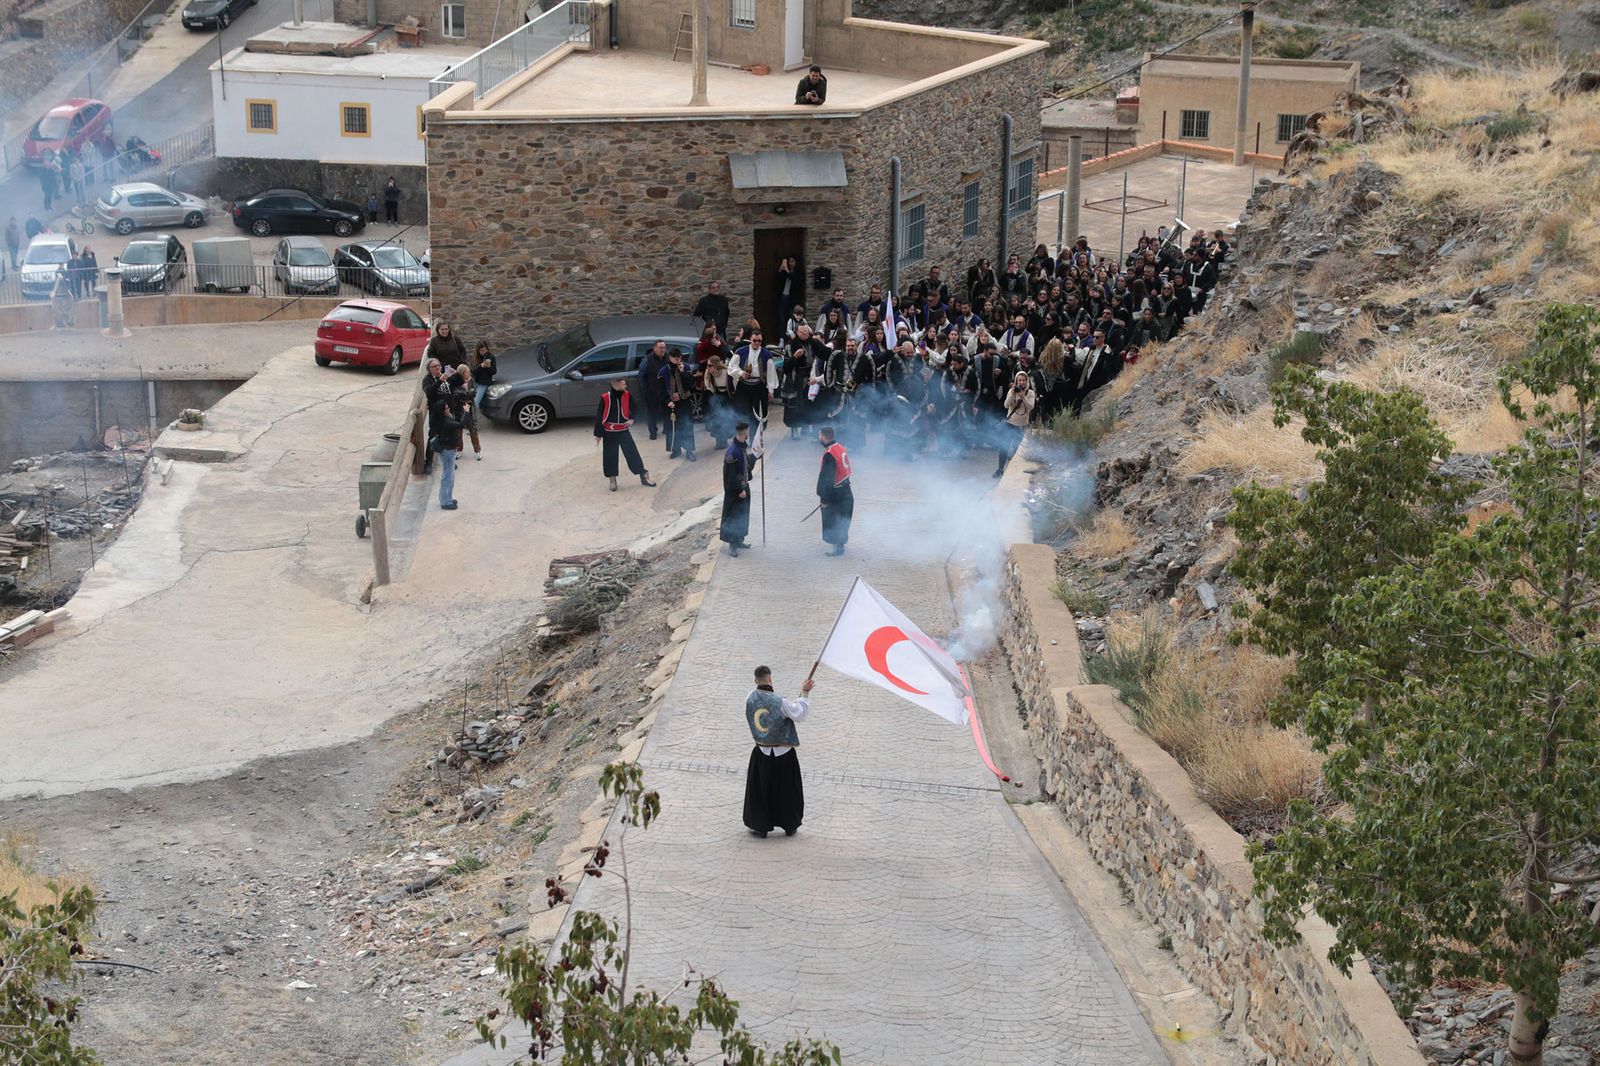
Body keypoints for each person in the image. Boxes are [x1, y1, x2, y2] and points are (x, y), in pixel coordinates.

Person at [743, 665, 813, 838]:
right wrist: (804, 693)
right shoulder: (780, 702)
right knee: (788, 790)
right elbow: (800, 714)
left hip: (761, 752)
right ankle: (789, 824)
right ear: (770, 679)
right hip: (783, 754)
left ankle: (760, 826)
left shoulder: (749, 698)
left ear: (755, 681)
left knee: (760, 790)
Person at [594, 375, 657, 492]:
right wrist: (598, 434)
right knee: (610, 456)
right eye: (623, 384)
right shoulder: (605, 398)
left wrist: (632, 419)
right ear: (615, 384)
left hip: (623, 431)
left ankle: (643, 476)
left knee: (632, 454)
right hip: (609, 432)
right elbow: (599, 416)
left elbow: (637, 409)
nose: (625, 386)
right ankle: (612, 479)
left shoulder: (627, 395)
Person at [815, 425, 853, 557]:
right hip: (846, 489)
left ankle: (838, 547)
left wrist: (824, 498)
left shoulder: (829, 454)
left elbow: (827, 477)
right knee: (842, 518)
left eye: (820, 435)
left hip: (836, 492)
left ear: (824, 437)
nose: (819, 437)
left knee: (834, 518)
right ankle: (840, 545)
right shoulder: (840, 447)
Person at [721, 421, 754, 557]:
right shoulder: (733, 451)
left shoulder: (741, 447)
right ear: (745, 434)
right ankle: (732, 545)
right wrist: (739, 490)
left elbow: (745, 465)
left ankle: (739, 539)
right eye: (748, 432)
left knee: (742, 515)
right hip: (735, 491)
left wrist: (756, 456)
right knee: (734, 517)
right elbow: (731, 475)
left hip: (743, 486)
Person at [431, 386, 467, 510]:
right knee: (448, 476)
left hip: (447, 449)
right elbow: (461, 424)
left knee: (448, 475)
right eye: (446, 408)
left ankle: (446, 498)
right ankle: (445, 502)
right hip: (448, 451)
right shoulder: (446, 422)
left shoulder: (442, 420)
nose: (448, 408)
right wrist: (466, 412)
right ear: (442, 411)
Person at [660, 347, 697, 461]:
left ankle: (689, 450)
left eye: (679, 358)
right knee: (673, 428)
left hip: (684, 401)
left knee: (687, 426)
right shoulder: (663, 371)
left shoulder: (685, 367)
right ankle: (676, 449)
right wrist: (668, 401)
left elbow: (690, 384)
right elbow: (660, 390)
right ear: (670, 357)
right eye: (675, 358)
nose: (677, 360)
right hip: (671, 404)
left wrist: (683, 373)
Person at [997, 371, 1035, 477]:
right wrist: (1013, 393)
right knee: (1004, 447)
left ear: (1027, 381)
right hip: (1010, 423)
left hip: (1022, 425)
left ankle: (1012, 472)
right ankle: (1000, 469)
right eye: (1019, 380)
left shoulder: (1030, 393)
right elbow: (1006, 405)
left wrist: (1023, 396)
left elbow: (1031, 407)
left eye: (1023, 380)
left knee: (1016, 450)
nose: (1022, 382)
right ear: (1016, 381)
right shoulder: (1012, 391)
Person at [638, 339, 668, 441]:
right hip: (652, 392)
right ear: (654, 348)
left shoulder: (668, 358)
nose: (663, 350)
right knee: (652, 413)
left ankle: (667, 429)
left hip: (666, 391)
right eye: (660, 348)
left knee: (667, 411)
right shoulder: (647, 360)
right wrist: (645, 390)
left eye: (664, 347)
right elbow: (641, 376)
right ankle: (653, 432)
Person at [454, 363, 482, 460]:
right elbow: (455, 393)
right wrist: (466, 392)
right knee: (458, 431)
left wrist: (465, 394)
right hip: (459, 409)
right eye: (466, 371)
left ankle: (477, 451)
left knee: (473, 430)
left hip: (470, 408)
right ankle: (459, 449)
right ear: (462, 373)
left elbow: (473, 394)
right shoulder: (455, 382)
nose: (469, 372)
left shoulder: (472, 380)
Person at [471, 340, 496, 409]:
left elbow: (494, 371)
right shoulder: (475, 358)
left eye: (485, 350)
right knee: (473, 400)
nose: (483, 352)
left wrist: (489, 367)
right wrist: (480, 366)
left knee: (475, 402)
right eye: (481, 351)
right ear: (478, 350)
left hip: (484, 382)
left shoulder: (491, 357)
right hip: (475, 382)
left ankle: (472, 416)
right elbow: (472, 371)